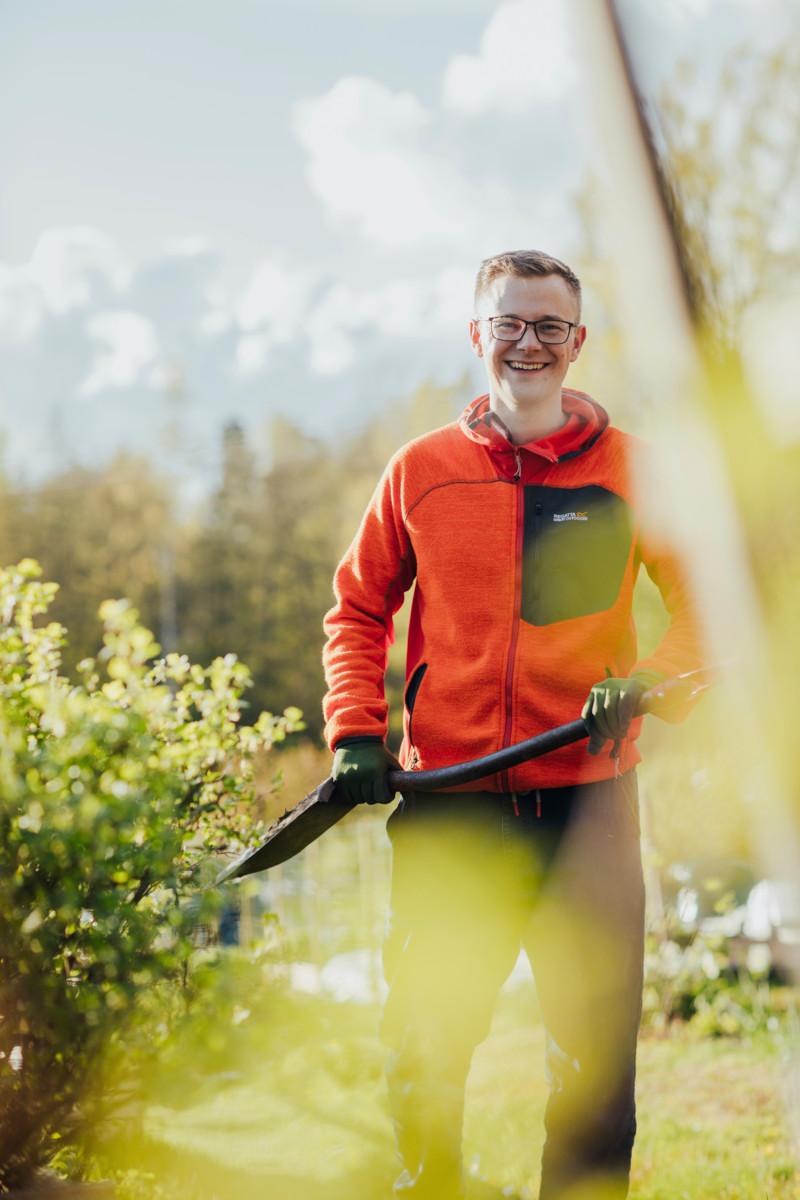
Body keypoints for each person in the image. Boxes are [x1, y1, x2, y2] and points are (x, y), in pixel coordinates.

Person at [321, 250, 702, 1200]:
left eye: (547, 327)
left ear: (578, 343)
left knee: (595, 1072)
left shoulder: (632, 472)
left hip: (589, 808)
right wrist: (355, 730)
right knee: (424, 1047)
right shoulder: (423, 471)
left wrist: (649, 682)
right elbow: (358, 608)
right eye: (508, 324)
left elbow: (710, 602)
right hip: (449, 806)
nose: (526, 343)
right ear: (476, 335)